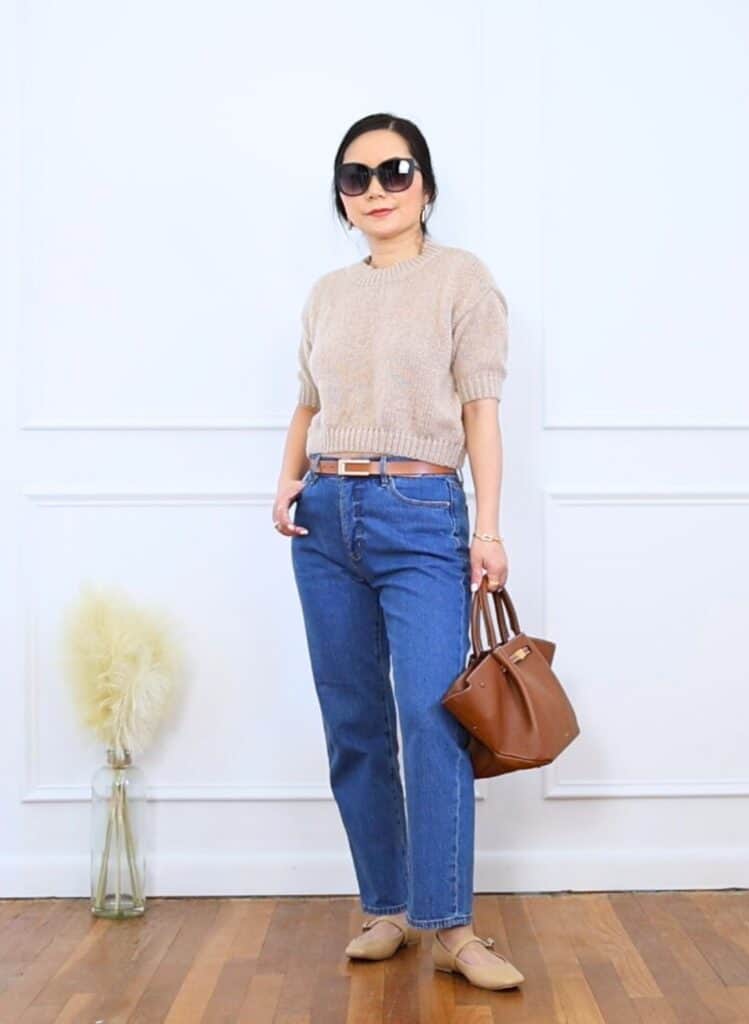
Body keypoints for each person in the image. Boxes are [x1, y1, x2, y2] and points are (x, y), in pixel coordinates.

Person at [272, 113, 524, 991]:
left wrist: (486, 529)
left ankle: (450, 923)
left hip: (420, 511)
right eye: (356, 176)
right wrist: (286, 481)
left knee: (428, 717)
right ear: (340, 195)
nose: (376, 189)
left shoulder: (462, 280)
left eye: (395, 170)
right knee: (353, 721)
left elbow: (480, 410)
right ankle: (385, 907)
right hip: (324, 513)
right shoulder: (326, 293)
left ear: (425, 184)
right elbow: (308, 403)